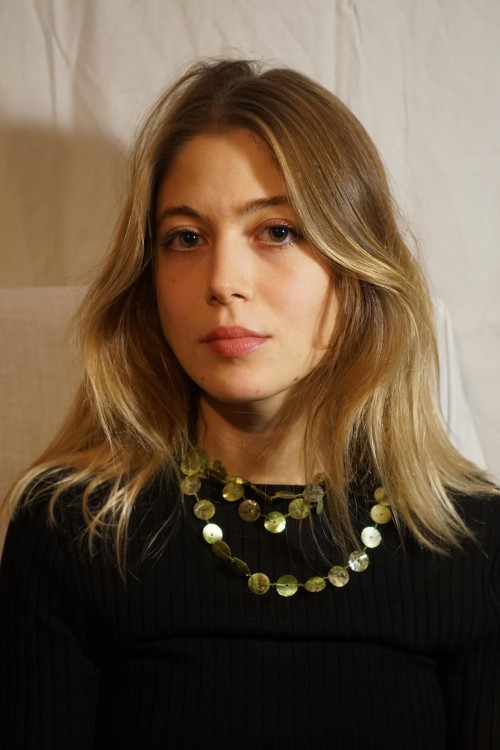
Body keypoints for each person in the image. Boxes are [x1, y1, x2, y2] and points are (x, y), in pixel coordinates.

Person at [0, 58, 498, 750]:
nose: (224, 280)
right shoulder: (72, 527)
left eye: (278, 231)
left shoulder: (473, 543)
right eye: (186, 238)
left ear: (356, 269)